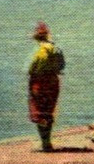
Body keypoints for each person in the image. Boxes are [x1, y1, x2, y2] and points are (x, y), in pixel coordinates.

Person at [27, 22, 65, 152]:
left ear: (38, 38)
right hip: (53, 80)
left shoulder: (41, 50)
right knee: (49, 109)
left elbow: (32, 67)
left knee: (39, 110)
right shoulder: (56, 49)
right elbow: (62, 65)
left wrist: (32, 72)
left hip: (39, 82)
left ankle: (45, 143)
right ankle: (47, 141)